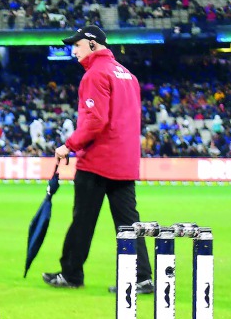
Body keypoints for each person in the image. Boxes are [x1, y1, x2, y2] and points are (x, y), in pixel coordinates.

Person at [43, 25, 152, 292]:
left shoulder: (95, 74)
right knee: (128, 222)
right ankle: (143, 277)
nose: (73, 51)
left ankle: (71, 274)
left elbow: (96, 120)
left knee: (82, 220)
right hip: (125, 161)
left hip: (99, 160)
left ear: (93, 44)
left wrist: (68, 145)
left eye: (77, 45)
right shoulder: (128, 76)